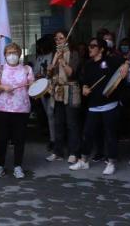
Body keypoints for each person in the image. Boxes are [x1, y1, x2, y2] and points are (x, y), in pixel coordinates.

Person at [69, 38, 130, 175]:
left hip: (110, 104)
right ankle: (84, 160)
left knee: (110, 135)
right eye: (89, 46)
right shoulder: (88, 65)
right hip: (93, 105)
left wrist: (126, 65)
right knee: (87, 134)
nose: (90, 48)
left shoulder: (111, 61)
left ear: (101, 49)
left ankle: (111, 162)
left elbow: (126, 60)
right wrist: (84, 88)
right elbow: (85, 82)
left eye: (93, 46)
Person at [0, 43, 34, 178]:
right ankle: (0, 166)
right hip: (3, 108)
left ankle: (18, 166)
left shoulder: (27, 69)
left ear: (19, 54)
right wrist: (3, 87)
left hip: (21, 109)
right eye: (9, 53)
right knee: (2, 139)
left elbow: (32, 88)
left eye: (14, 52)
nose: (12, 55)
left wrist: (36, 86)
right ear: (5, 55)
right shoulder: (0, 68)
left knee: (19, 139)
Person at [45, 30, 81, 164]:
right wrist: (49, 70)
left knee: (72, 123)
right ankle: (58, 151)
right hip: (58, 91)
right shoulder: (55, 54)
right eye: (56, 39)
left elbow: (71, 73)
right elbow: (50, 75)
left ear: (67, 39)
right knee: (58, 123)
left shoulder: (74, 53)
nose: (58, 41)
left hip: (71, 89)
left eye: (61, 38)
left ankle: (74, 152)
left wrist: (61, 61)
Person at [32, 35, 55, 154]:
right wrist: (38, 76)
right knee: (48, 114)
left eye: (40, 46)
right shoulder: (39, 57)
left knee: (52, 114)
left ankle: (54, 139)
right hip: (41, 89)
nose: (39, 48)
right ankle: (52, 138)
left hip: (51, 88)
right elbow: (35, 71)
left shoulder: (54, 56)